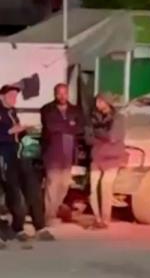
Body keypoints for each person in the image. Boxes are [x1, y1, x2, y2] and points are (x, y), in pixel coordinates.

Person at [0, 84, 53, 243]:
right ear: (2, 96)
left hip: (19, 154)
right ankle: (18, 227)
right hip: (5, 156)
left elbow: (16, 132)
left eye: (15, 96)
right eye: (10, 96)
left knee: (33, 189)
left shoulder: (12, 112)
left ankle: (40, 226)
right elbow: (6, 133)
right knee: (15, 194)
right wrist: (10, 132)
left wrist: (24, 131)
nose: (14, 99)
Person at [39, 83, 84, 225]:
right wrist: (69, 125)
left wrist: (66, 126)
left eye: (65, 93)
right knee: (52, 185)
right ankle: (49, 216)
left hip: (68, 154)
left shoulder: (75, 110)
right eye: (59, 93)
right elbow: (51, 127)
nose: (62, 96)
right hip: (53, 153)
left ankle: (56, 209)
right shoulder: (47, 109)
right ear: (55, 94)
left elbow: (80, 128)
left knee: (64, 184)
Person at [88, 94, 128, 230]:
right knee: (93, 189)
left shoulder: (118, 118)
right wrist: (100, 134)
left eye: (101, 101)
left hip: (112, 158)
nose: (98, 103)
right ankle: (97, 218)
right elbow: (88, 137)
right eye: (97, 101)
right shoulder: (93, 117)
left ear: (107, 103)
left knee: (105, 187)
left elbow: (112, 137)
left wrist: (97, 132)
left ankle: (105, 219)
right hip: (97, 156)